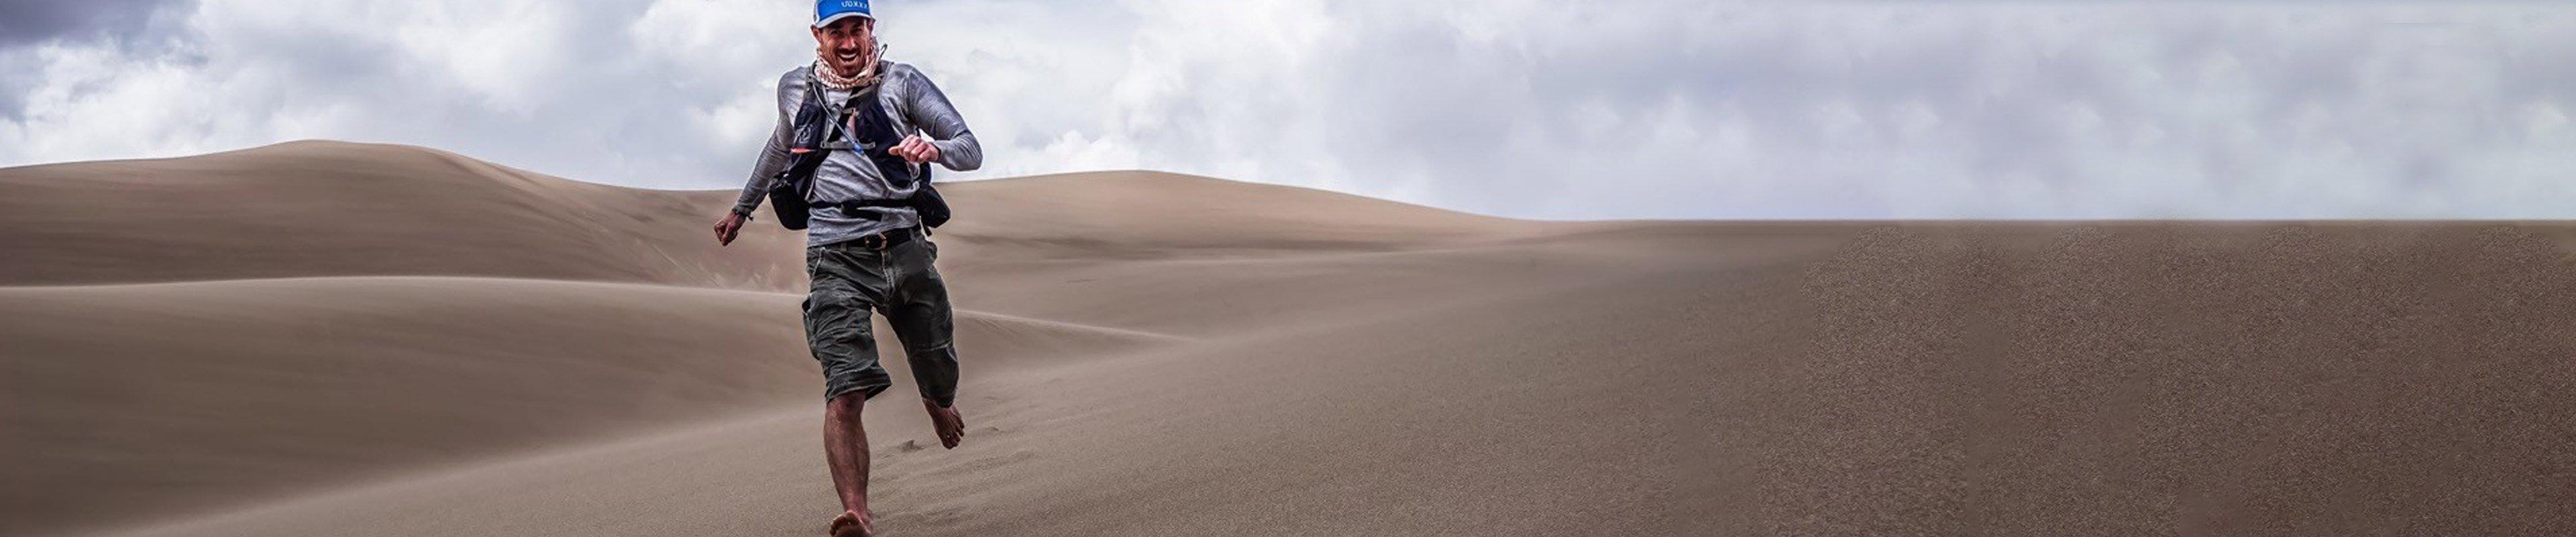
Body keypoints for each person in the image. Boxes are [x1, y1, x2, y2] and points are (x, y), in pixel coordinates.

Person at [712, 1, 979, 535]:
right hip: (834, 254)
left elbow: (969, 149)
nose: (849, 40)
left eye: (857, 28)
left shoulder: (904, 83)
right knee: (845, 387)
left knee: (938, 364)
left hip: (903, 244)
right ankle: (856, 512)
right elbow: (778, 146)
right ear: (818, 34)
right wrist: (741, 209)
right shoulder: (794, 87)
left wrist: (934, 149)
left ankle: (936, 399)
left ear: (871, 29)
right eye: (837, 30)